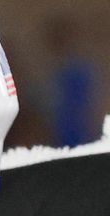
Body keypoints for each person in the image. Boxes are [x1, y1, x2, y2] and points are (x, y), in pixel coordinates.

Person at [44, 16, 102, 147]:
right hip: (58, 137)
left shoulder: (79, 70)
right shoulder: (54, 71)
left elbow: (90, 107)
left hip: (80, 135)